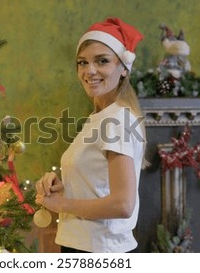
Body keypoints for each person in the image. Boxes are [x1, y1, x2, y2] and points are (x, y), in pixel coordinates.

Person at [35, 17, 147, 253]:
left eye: (102, 61)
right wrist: (63, 188)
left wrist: (62, 204)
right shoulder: (100, 118)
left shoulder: (118, 119)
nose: (89, 70)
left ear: (124, 69)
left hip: (99, 250)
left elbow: (123, 204)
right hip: (84, 245)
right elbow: (98, 187)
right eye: (82, 62)